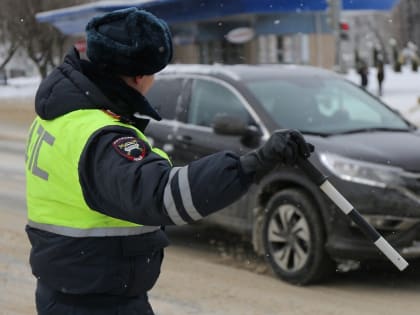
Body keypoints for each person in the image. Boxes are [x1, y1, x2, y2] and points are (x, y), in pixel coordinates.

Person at [25, 7, 313, 315]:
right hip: (96, 303)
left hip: (71, 289)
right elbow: (163, 195)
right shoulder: (102, 136)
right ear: (139, 76)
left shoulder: (62, 116)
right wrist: (251, 165)